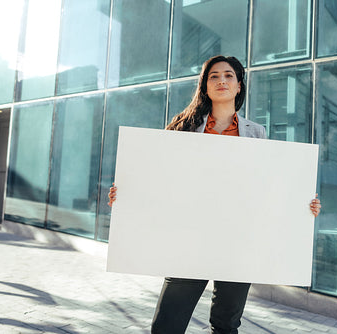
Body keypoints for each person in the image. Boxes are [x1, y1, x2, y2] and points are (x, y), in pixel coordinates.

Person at [108, 55, 322, 334]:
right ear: (205, 86)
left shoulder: (256, 133)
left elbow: (266, 190)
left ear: (239, 86)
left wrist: (303, 205)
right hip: (190, 238)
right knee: (166, 326)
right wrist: (126, 195)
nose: (222, 80)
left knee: (225, 325)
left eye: (229, 75)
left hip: (237, 242)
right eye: (214, 76)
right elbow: (160, 180)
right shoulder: (182, 128)